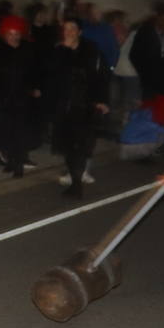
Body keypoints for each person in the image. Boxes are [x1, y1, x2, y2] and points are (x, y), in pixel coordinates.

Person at [44, 18, 109, 197]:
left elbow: (101, 77)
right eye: (66, 29)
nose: (69, 32)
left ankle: (77, 181)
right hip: (64, 106)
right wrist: (64, 50)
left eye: (73, 28)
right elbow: (51, 75)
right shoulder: (58, 51)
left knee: (81, 145)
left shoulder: (92, 50)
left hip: (85, 106)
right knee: (68, 146)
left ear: (80, 31)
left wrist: (102, 100)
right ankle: (75, 179)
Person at [0, 15, 41, 177]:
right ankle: (10, 161)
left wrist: (35, 88)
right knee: (5, 132)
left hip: (22, 97)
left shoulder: (28, 50)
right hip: (2, 97)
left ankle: (18, 164)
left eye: (17, 33)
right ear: (4, 34)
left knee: (19, 132)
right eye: (11, 33)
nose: (14, 36)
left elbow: (35, 72)